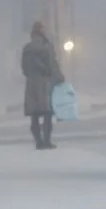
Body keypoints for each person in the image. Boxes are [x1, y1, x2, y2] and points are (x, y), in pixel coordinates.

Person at [21, 21, 65, 150]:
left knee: (34, 115)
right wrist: (59, 78)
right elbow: (52, 65)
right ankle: (46, 140)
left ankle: (38, 142)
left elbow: (24, 68)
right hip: (45, 83)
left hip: (31, 85)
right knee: (47, 113)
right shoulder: (47, 47)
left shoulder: (27, 48)